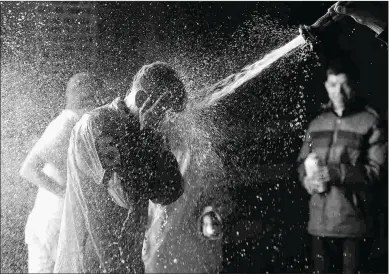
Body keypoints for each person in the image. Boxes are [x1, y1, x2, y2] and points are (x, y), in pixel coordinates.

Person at [54, 61, 187, 273]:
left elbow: (169, 193)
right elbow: (124, 195)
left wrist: (154, 142)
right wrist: (150, 137)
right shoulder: (96, 124)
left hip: (129, 264)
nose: (169, 123)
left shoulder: (148, 135)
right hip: (94, 265)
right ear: (143, 99)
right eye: (165, 112)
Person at [296, 55, 387, 274]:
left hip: (354, 227)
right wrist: (307, 179)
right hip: (319, 225)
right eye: (333, 85)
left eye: (345, 85)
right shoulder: (317, 124)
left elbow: (378, 172)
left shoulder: (371, 123)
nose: (339, 92)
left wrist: (335, 173)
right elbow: (301, 163)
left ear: (354, 85)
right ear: (327, 86)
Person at [19, 72, 100, 273]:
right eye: (95, 96)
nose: (99, 102)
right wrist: (66, 195)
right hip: (51, 225)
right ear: (86, 97)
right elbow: (28, 169)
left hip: (57, 225)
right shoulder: (66, 123)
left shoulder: (79, 124)